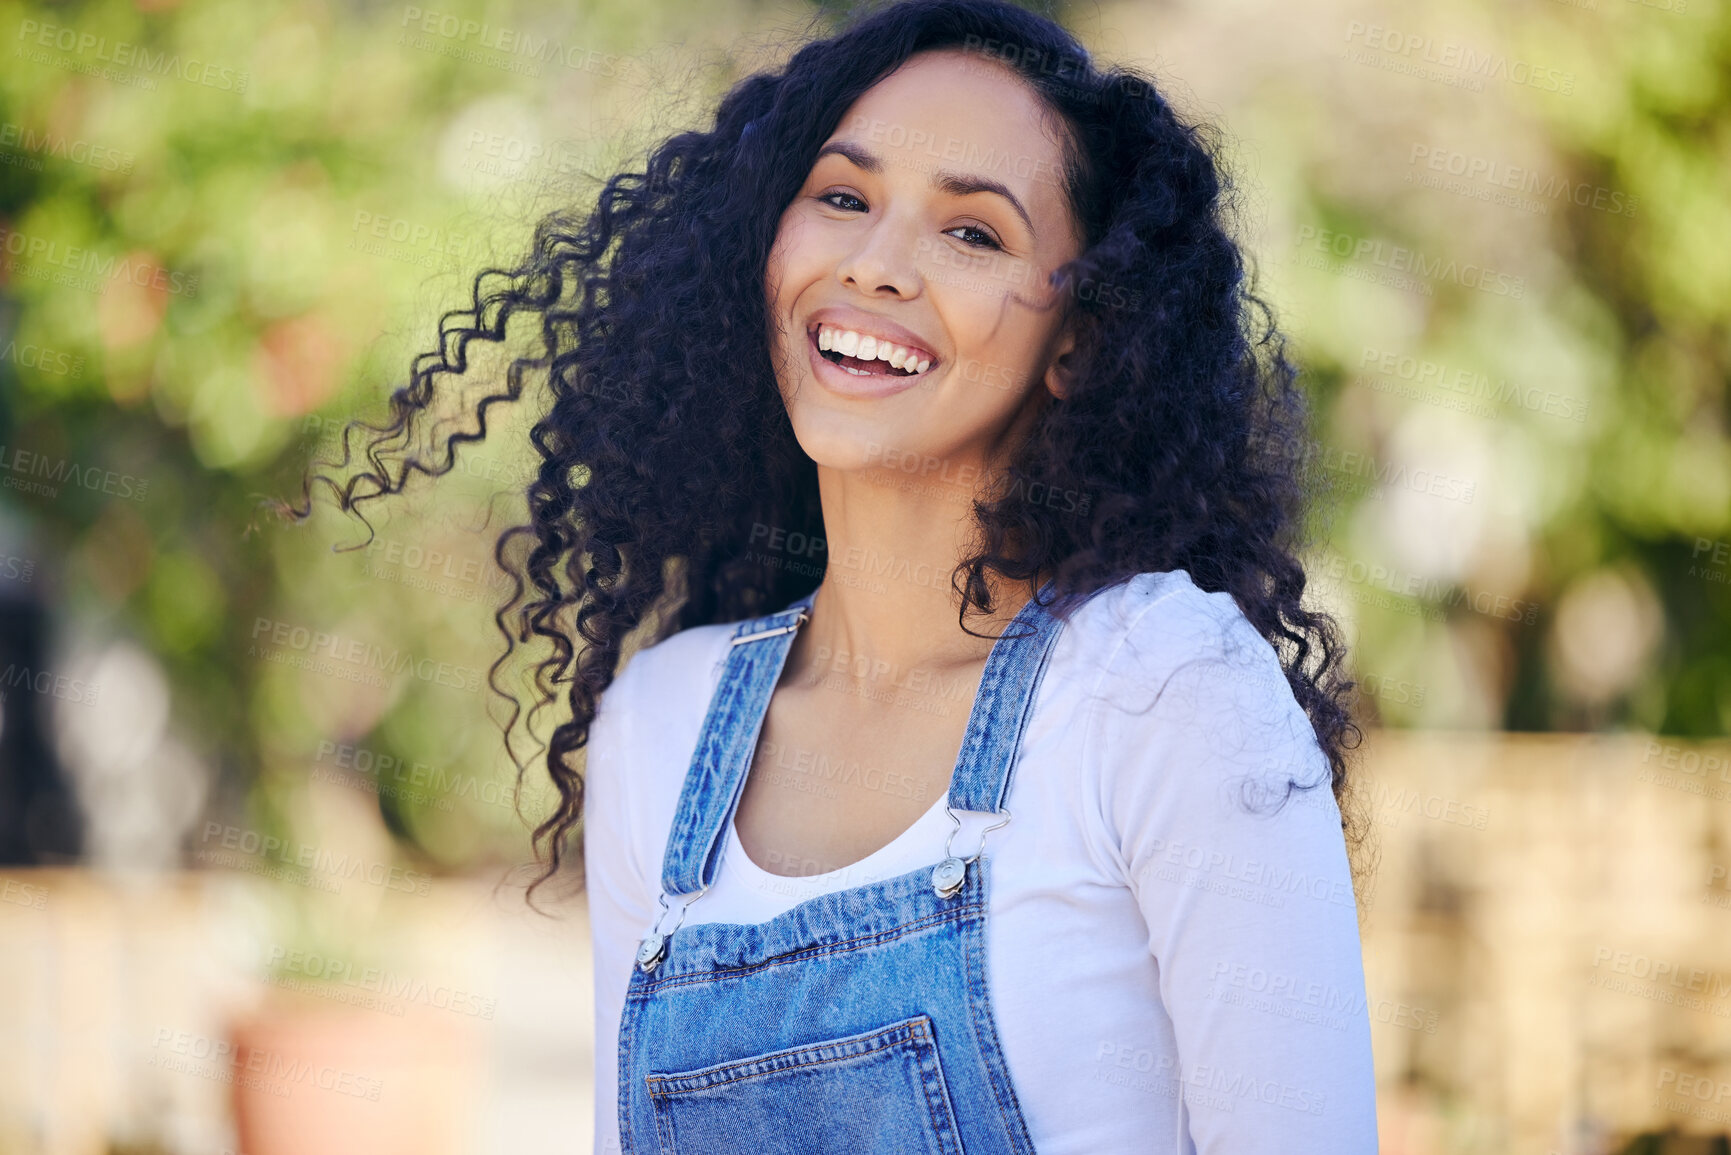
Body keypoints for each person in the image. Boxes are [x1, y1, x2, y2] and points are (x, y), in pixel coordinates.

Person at [293, 1, 1379, 1150]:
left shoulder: (1162, 688)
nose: (876, 265)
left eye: (974, 234)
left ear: (1083, 343)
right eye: (843, 198)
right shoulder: (660, 729)